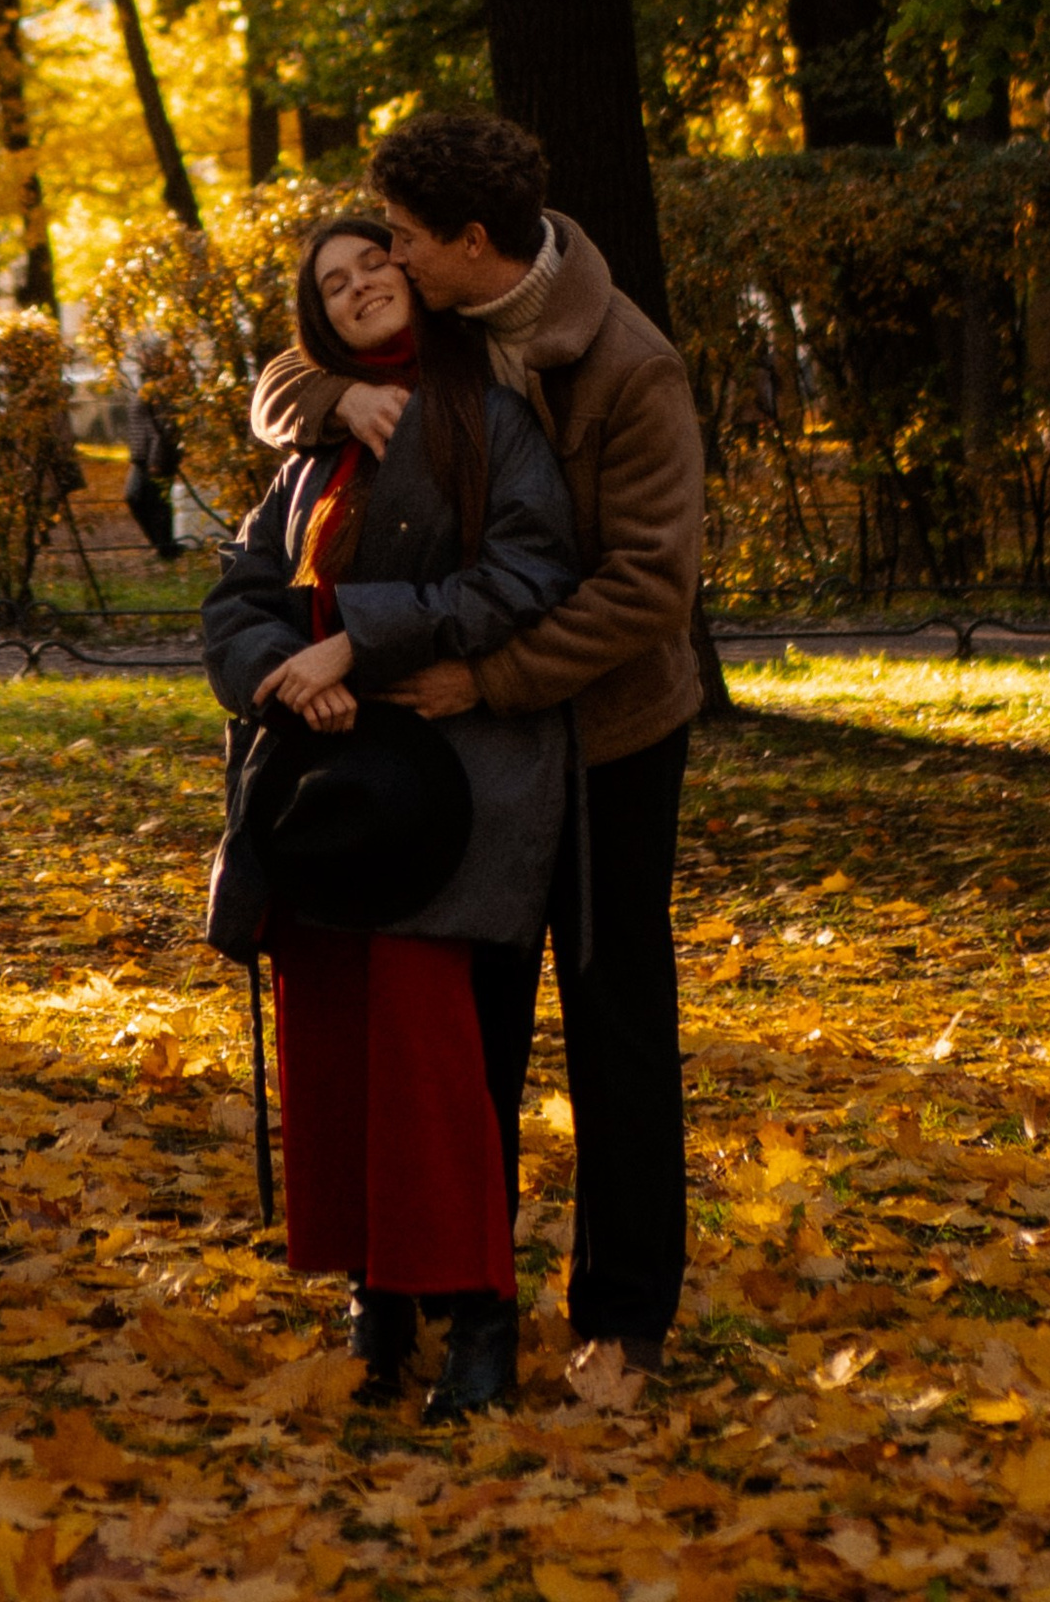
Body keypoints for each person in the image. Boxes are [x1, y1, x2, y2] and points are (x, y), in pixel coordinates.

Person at [250, 110, 704, 1402]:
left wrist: (483, 675)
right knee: (470, 1025)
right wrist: (340, 393)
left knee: (616, 1017)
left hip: (609, 737)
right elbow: (283, 379)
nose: (385, 254)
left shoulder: (628, 366)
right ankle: (465, 1297)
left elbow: (648, 591)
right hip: (475, 760)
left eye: (402, 235)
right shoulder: (439, 324)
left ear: (470, 242)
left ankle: (626, 1317)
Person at [204, 210, 578, 1421]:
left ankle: (474, 1310)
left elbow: (528, 574)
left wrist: (358, 644)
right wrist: (279, 672)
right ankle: (378, 1297)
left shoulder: (492, 416)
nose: (360, 285)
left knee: (425, 1060)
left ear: (419, 282)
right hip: (322, 795)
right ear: (318, 316)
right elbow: (239, 594)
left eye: (377, 266)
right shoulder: (310, 451)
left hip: (451, 788)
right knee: (332, 1050)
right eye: (334, 280)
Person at [124, 346, 185, 561]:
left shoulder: (158, 390)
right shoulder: (143, 386)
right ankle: (163, 546)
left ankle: (166, 548)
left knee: (153, 502)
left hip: (154, 457)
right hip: (141, 455)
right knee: (139, 498)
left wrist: (156, 459)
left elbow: (163, 427)